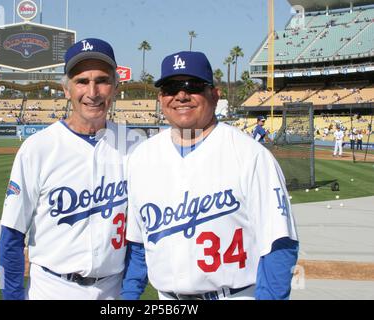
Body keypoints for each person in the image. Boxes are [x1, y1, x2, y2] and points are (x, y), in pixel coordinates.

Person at [121, 51, 299, 300]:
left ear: (214, 96)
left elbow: (279, 244)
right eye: (171, 88)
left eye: (193, 86)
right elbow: (138, 245)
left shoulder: (250, 155)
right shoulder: (142, 158)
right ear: (161, 99)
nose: (181, 95)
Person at [0, 38, 132, 300]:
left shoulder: (135, 146)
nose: (92, 92)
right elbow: (11, 235)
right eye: (82, 81)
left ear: (115, 87)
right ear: (66, 89)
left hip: (113, 290)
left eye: (102, 80)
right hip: (52, 288)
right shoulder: (38, 148)